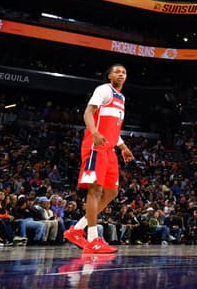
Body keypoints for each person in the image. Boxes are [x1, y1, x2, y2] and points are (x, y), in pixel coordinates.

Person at [64, 64, 134, 254]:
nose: (121, 74)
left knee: (112, 192)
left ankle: (77, 229)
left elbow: (112, 128)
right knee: (95, 190)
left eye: (124, 72)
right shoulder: (104, 90)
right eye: (117, 71)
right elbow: (88, 112)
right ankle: (93, 239)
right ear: (109, 75)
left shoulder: (122, 98)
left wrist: (122, 146)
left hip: (109, 148)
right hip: (95, 146)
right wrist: (94, 132)